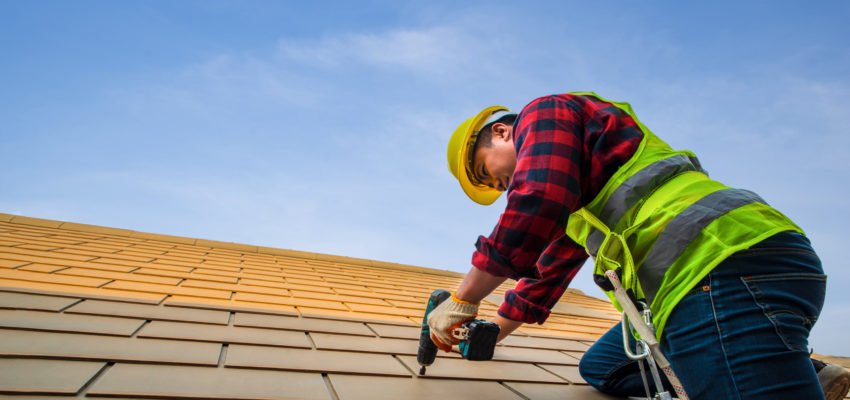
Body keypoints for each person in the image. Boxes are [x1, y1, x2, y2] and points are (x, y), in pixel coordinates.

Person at [429, 92, 850, 399]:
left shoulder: (546, 111)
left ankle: (762, 368)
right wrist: (489, 334)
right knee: (603, 368)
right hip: (726, 273)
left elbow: (536, 200)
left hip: (719, 267)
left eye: (491, 175)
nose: (501, 189)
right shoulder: (581, 203)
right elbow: (544, 275)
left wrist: (464, 298)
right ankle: (793, 368)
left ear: (502, 132)